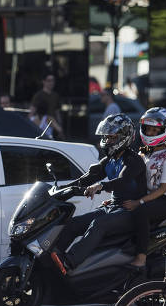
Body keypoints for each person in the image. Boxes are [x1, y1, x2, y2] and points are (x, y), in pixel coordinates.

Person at [50, 113, 147, 275]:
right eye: (106, 137)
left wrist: (101, 186)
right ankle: (53, 257)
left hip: (130, 211)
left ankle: (68, 262)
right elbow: (87, 178)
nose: (107, 141)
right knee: (74, 223)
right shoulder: (110, 160)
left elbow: (122, 181)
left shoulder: (134, 160)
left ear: (124, 137)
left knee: (98, 224)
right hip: (113, 207)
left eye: (112, 137)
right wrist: (62, 189)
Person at [123, 107, 166, 270]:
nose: (150, 133)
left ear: (165, 131)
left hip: (165, 201)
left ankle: (141, 257)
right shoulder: (144, 154)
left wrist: (138, 202)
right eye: (148, 129)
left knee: (141, 212)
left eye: (155, 130)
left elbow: (162, 189)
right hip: (147, 197)